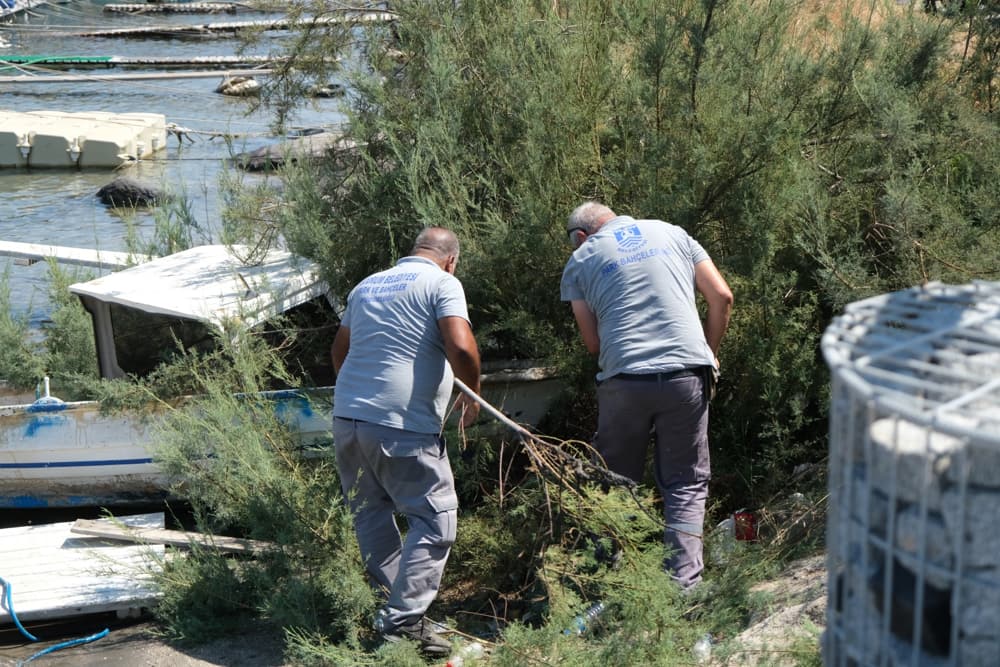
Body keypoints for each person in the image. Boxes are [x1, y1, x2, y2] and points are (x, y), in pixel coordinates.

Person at [560, 201, 733, 591]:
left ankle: (606, 584)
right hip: (687, 374)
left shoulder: (582, 258)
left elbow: (592, 343)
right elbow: (722, 296)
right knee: (686, 482)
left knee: (613, 484)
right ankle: (683, 588)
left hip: (624, 381)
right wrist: (709, 352)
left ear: (582, 237)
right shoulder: (674, 232)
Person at [330, 227, 481, 656]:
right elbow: (461, 346)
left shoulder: (366, 286)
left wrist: (359, 394)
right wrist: (473, 393)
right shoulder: (442, 283)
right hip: (402, 425)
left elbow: (339, 351)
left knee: (372, 516)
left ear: (414, 251)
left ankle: (399, 614)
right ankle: (401, 623)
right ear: (451, 259)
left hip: (348, 420)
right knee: (436, 522)